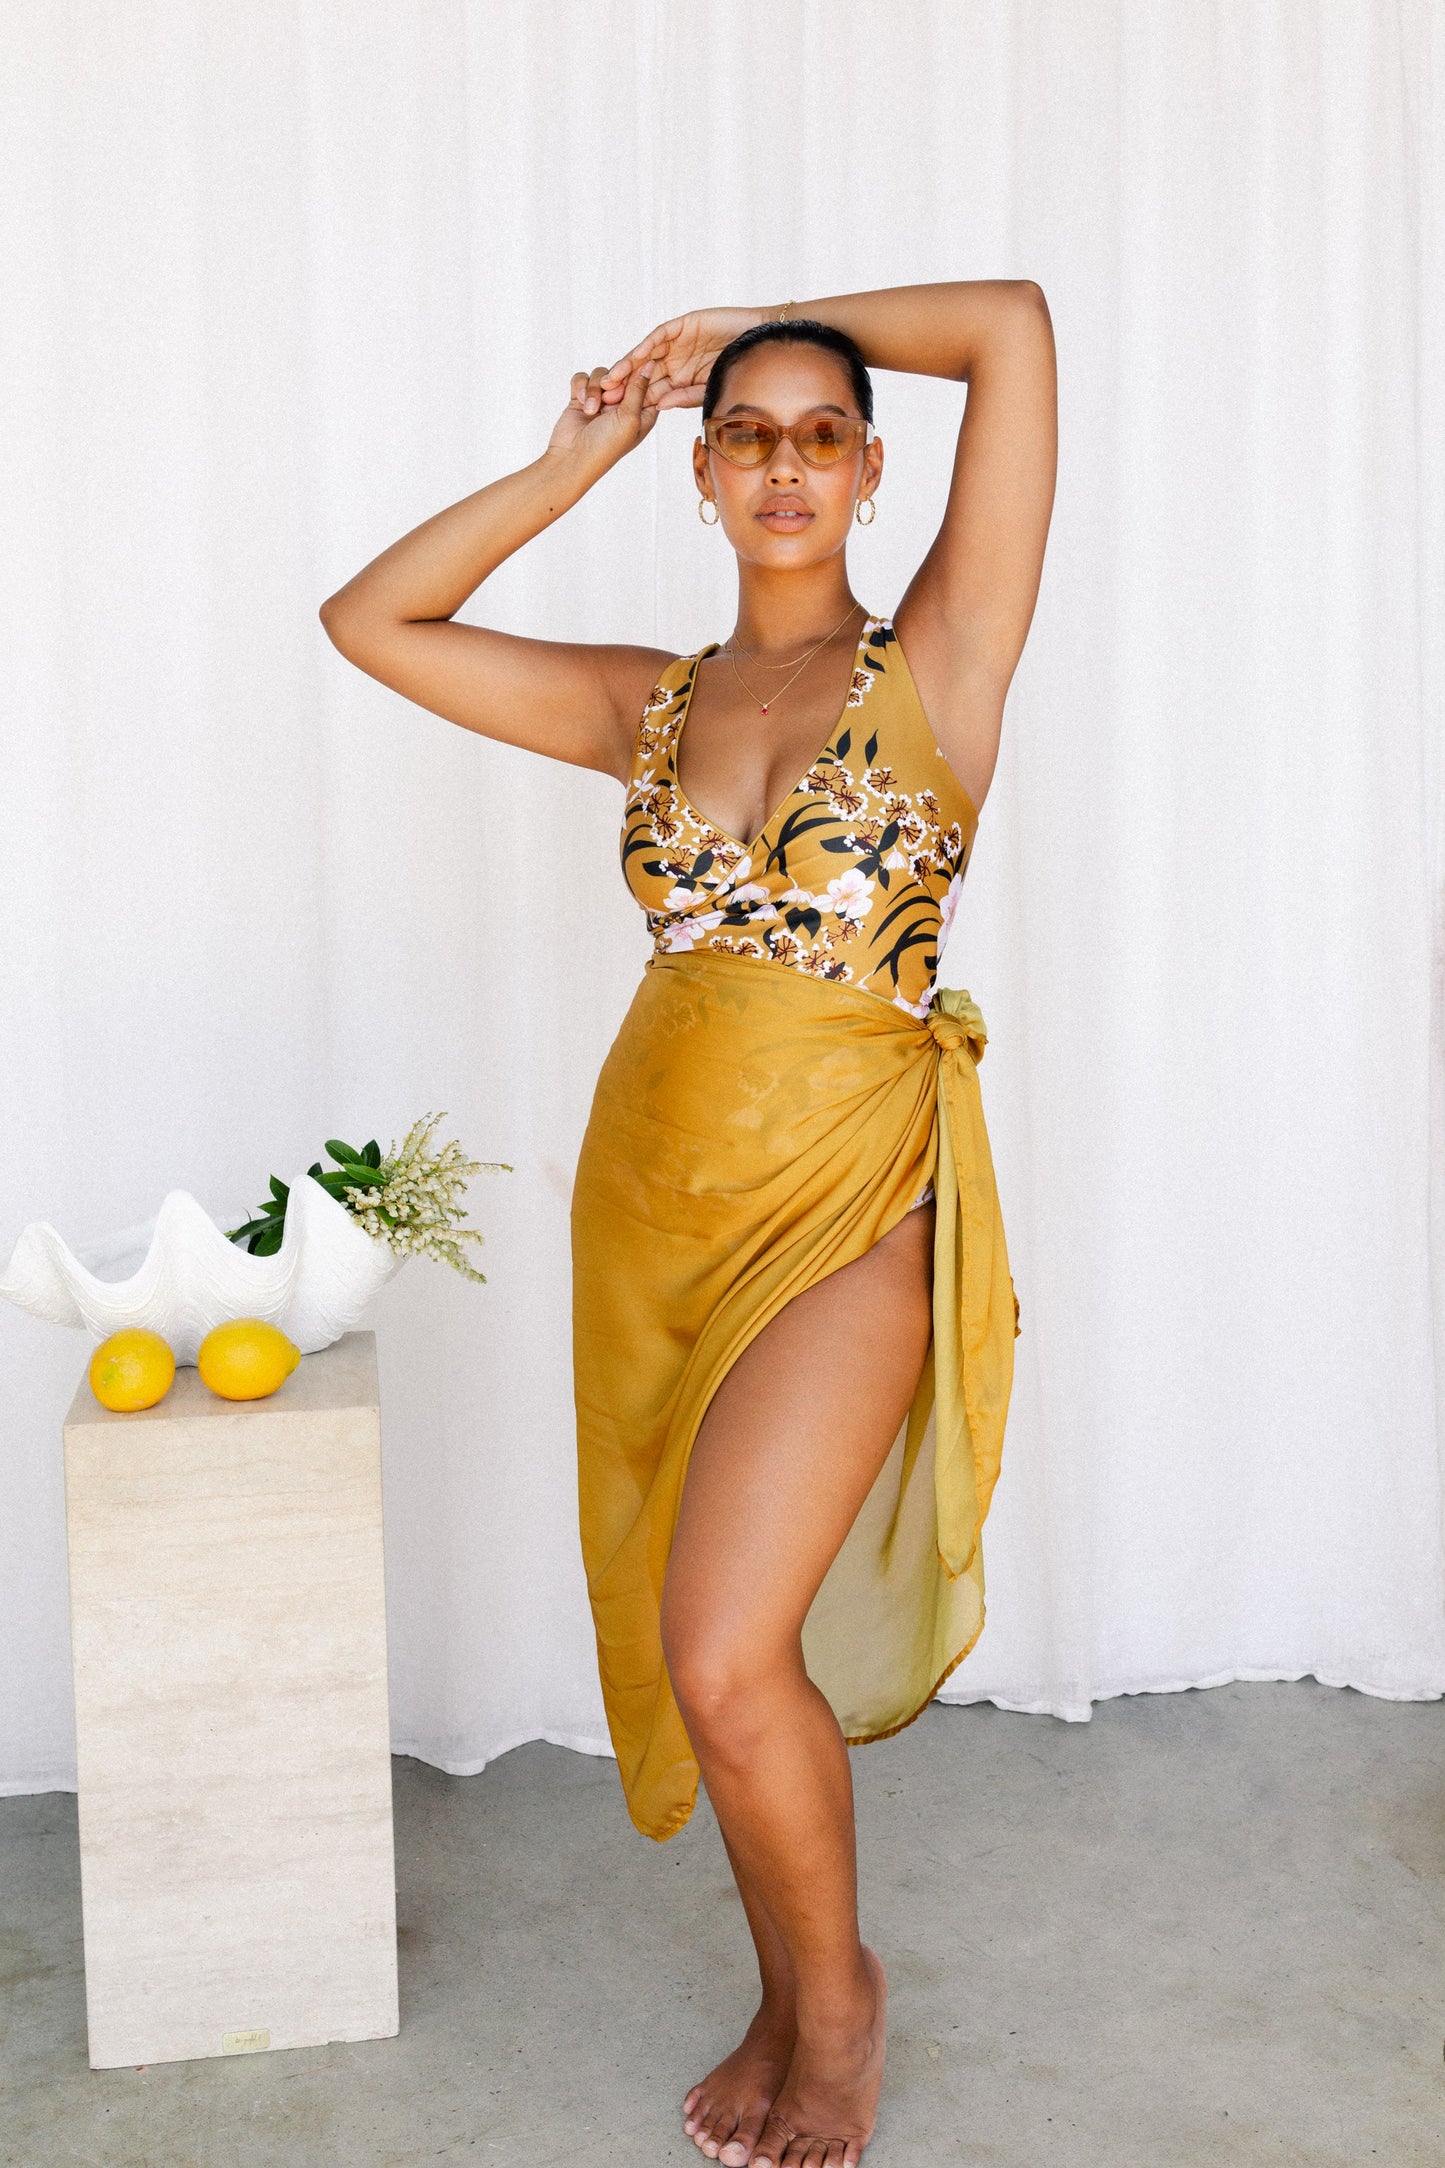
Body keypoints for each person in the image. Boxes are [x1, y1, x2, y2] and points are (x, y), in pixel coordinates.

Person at [320, 280, 1057, 2168]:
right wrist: (570, 458)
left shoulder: (943, 659)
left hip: (850, 1208)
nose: (783, 463)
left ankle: (842, 2011)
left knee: (728, 1652)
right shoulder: (644, 704)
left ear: (872, 470)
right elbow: (371, 622)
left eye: (821, 433)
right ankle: (784, 1986)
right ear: (705, 472)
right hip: (652, 1205)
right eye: (746, 433)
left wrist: (756, 318)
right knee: (698, 1654)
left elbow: (1011, 325)